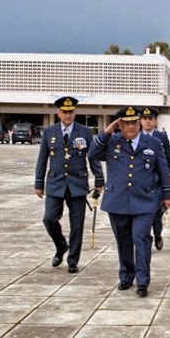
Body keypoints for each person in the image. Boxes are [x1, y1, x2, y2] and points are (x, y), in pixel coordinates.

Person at [91, 106, 170, 296]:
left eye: (133, 123)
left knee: (141, 237)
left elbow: (162, 169)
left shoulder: (152, 142)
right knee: (123, 240)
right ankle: (126, 276)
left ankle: (143, 280)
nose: (130, 127)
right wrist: (107, 131)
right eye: (126, 123)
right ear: (120, 124)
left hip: (145, 200)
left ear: (138, 123)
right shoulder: (112, 141)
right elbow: (93, 154)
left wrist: (167, 195)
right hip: (117, 199)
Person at [34, 96, 104, 274]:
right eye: (64, 112)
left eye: (71, 112)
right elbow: (42, 159)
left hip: (77, 184)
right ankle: (61, 246)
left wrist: (99, 181)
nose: (68, 115)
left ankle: (73, 260)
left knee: (77, 225)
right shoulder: (49, 132)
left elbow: (93, 157)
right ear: (58, 113)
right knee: (49, 218)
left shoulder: (85, 132)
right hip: (55, 183)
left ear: (75, 112)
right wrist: (39, 183)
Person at [139, 107, 170, 251]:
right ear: (141, 121)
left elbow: (169, 157)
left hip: (157, 181)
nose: (148, 121)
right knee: (143, 212)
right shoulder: (135, 136)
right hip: (141, 181)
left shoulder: (161, 137)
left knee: (156, 212)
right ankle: (145, 238)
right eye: (145, 119)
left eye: (151, 119)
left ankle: (158, 234)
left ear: (155, 121)